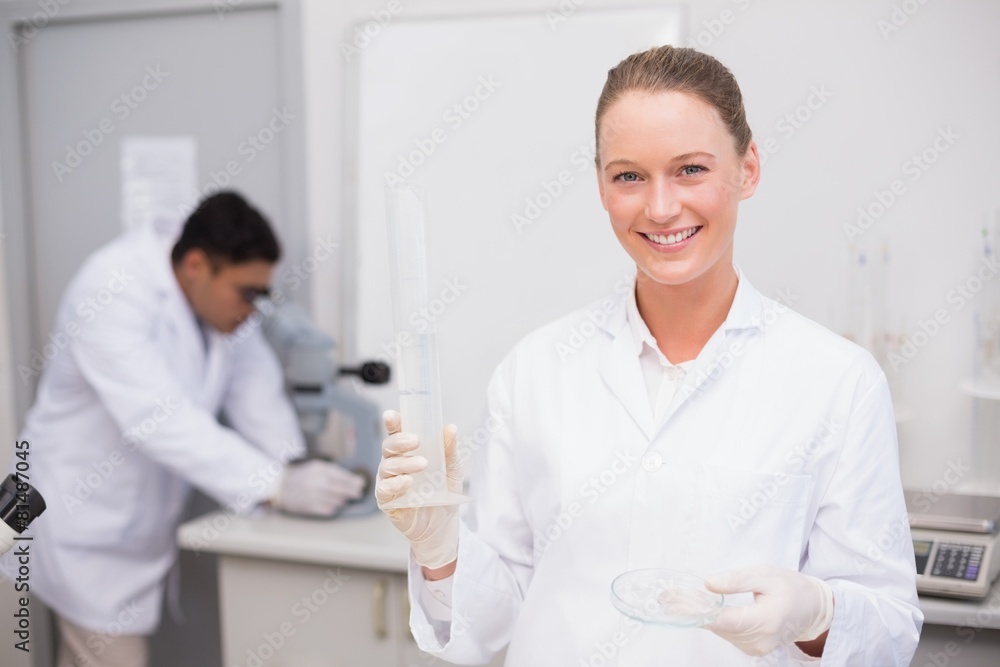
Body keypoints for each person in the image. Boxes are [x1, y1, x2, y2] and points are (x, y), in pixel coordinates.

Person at [376, 46, 923, 665]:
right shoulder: (535, 370)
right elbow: (497, 623)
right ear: (602, 185)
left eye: (690, 169)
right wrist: (441, 549)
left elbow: (889, 631)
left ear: (747, 169)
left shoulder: (837, 383)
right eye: (629, 175)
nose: (660, 208)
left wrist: (816, 613)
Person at [22, 192, 365, 667]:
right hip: (83, 523)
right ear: (197, 265)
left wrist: (293, 464)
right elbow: (159, 420)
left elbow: (254, 386)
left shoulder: (218, 304)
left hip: (136, 524)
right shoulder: (110, 289)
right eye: (247, 293)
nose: (253, 309)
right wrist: (279, 486)